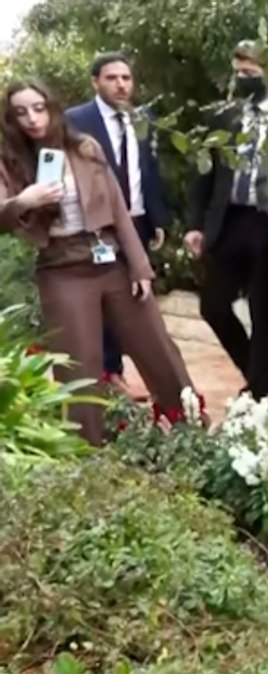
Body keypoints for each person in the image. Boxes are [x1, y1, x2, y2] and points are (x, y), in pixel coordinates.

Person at [0, 79, 201, 444]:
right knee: (79, 366)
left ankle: (191, 430)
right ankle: (87, 452)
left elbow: (119, 210)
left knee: (157, 348)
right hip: (61, 269)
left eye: (38, 108)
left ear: (52, 108)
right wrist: (25, 201)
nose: (32, 119)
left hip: (110, 259)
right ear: (11, 119)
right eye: (21, 112)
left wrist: (140, 266)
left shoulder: (84, 148)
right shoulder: (9, 164)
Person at [184, 40, 268, 400]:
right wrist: (194, 224)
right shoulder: (225, 116)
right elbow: (204, 174)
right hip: (230, 219)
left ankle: (258, 385)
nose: (242, 79)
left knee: (262, 308)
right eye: (238, 73)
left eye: (250, 72)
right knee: (213, 306)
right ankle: (259, 377)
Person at [65, 51, 172, 402]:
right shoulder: (75, 120)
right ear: (95, 82)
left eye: (126, 78)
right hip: (98, 225)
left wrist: (157, 218)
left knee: (138, 296)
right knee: (105, 299)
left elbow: (148, 169)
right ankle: (110, 373)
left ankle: (146, 377)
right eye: (112, 78)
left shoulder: (143, 118)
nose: (121, 85)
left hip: (137, 221)